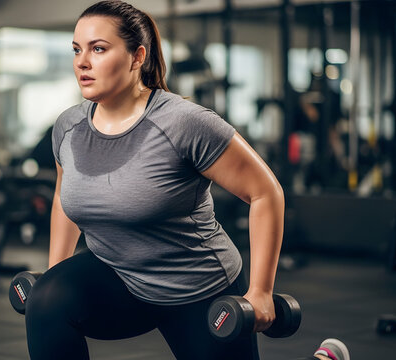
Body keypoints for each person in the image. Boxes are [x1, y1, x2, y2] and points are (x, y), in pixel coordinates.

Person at [24, 1, 336, 359]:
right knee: (46, 302)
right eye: (77, 50)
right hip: (119, 279)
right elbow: (65, 197)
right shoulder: (68, 127)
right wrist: (53, 272)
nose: (82, 61)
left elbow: (265, 193)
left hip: (196, 286)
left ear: (136, 57)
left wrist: (261, 291)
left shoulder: (184, 123)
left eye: (98, 49)